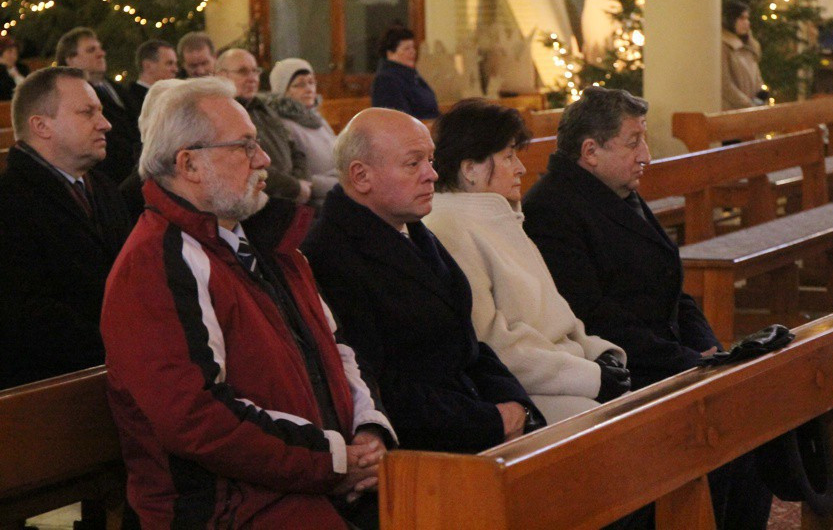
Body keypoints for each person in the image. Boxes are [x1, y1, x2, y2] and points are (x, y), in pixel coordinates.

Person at [101, 76, 396, 529]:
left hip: (310, 481)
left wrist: (368, 430)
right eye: (245, 146)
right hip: (229, 507)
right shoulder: (156, 263)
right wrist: (334, 461)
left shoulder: (267, 242)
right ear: (190, 164)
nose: (264, 160)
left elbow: (337, 347)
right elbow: (196, 418)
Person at [522, 87, 771, 529]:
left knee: (754, 427)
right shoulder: (552, 210)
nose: (647, 156)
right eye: (634, 142)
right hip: (625, 371)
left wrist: (708, 348)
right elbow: (591, 317)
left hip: (667, 358)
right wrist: (685, 361)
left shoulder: (615, 192)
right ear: (590, 152)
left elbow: (671, 289)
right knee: (724, 440)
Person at [302, 107, 545, 453]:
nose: (432, 174)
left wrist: (515, 402)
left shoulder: (412, 229)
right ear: (361, 176)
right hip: (431, 447)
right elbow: (379, 387)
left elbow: (466, 342)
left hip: (473, 414)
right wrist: (490, 420)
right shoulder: (331, 255)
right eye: (413, 163)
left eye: (430, 160)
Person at [423, 99, 630, 424]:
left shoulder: (500, 216)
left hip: (565, 372)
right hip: (522, 390)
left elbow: (556, 315)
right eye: (508, 156)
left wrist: (598, 353)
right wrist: (589, 375)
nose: (520, 168)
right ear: (470, 169)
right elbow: (491, 342)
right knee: (608, 423)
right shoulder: (449, 228)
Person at [0, 67, 131, 389]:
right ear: (41, 126)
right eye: (87, 112)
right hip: (53, 384)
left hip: (120, 365)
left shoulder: (104, 188)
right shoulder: (9, 201)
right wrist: (120, 344)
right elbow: (26, 315)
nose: (105, 123)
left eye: (101, 111)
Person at [216, 48, 312, 204]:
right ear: (222, 75)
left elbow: (296, 150)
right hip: (259, 202)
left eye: (255, 71)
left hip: (292, 198)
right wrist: (295, 187)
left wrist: (303, 182)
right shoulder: (223, 114)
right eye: (243, 72)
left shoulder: (265, 108)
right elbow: (247, 164)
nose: (252, 78)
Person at [56, 27, 140, 185]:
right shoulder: (71, 99)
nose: (101, 53)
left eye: (100, 48)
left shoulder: (117, 89)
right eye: (91, 50)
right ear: (70, 60)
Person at [264, 58, 339, 210]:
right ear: (282, 89)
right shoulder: (282, 126)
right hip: (317, 204)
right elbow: (297, 178)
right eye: (300, 84)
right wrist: (342, 183)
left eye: (311, 82)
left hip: (338, 191)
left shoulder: (316, 119)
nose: (309, 89)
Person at [370, 26, 440, 120]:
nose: (413, 52)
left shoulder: (412, 75)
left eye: (413, 48)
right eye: (407, 49)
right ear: (390, 53)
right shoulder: (386, 80)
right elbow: (397, 118)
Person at [722, 0, 767, 110]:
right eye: (741, 18)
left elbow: (757, 79)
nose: (747, 23)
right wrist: (748, 104)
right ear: (730, 20)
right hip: (732, 110)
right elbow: (725, 84)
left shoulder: (750, 46)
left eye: (747, 18)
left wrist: (759, 99)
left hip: (751, 110)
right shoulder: (724, 46)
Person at [128, 39, 178, 109]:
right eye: (169, 63)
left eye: (175, 64)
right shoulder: (131, 102)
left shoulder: (173, 97)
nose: (175, 69)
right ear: (148, 66)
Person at [0, 36, 30, 100]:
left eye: (15, 53)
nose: (13, 56)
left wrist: (16, 75)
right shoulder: (2, 72)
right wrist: (3, 68)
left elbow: (29, 88)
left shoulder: (22, 68)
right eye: (9, 52)